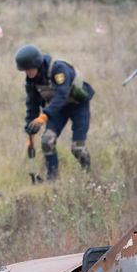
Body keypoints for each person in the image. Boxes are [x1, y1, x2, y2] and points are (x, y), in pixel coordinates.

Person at [16, 44, 94, 181]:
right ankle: (52, 180)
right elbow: (32, 105)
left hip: (78, 106)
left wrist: (44, 116)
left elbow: (62, 95)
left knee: (77, 148)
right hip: (58, 110)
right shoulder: (31, 81)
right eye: (25, 70)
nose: (27, 73)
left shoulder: (58, 69)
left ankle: (88, 176)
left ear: (37, 64)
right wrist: (30, 130)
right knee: (47, 141)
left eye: (29, 69)